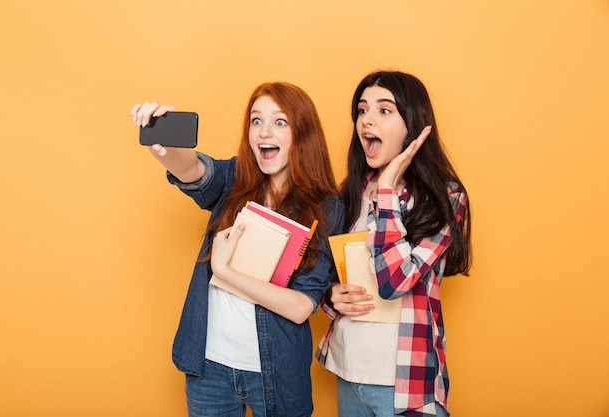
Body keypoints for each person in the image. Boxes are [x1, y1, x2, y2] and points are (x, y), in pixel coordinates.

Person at [131, 82, 344, 417]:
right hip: (209, 370)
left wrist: (226, 271)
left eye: (280, 122)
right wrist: (164, 144)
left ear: (303, 133)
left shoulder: (327, 207)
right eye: (256, 121)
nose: (263, 132)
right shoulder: (234, 179)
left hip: (278, 375)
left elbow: (302, 306)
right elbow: (192, 170)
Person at [315, 71, 472, 417]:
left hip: (404, 383)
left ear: (413, 126)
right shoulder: (352, 189)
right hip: (347, 368)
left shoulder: (445, 197)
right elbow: (328, 271)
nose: (367, 120)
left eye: (384, 111)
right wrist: (331, 296)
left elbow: (395, 283)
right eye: (362, 110)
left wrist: (387, 190)